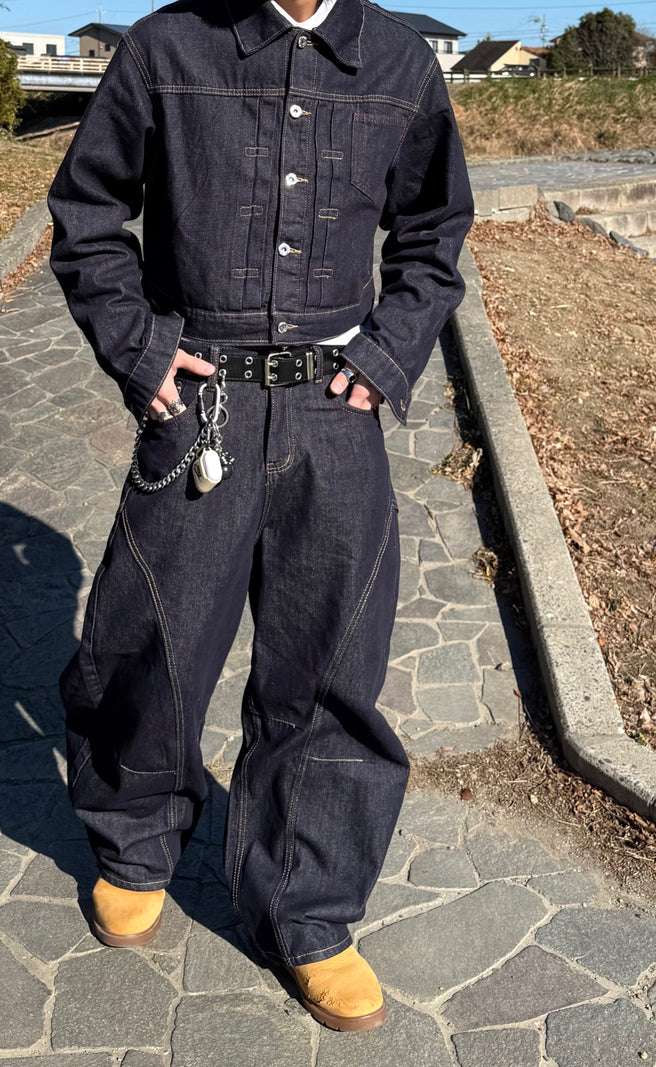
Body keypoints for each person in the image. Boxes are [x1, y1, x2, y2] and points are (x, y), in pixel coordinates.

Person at [48, 0, 473, 1032]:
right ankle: (134, 840)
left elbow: (432, 230)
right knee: (150, 635)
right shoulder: (165, 48)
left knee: (330, 666)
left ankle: (308, 907)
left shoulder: (399, 62)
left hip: (336, 406)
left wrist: (388, 351)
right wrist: (142, 350)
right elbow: (87, 214)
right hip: (201, 398)